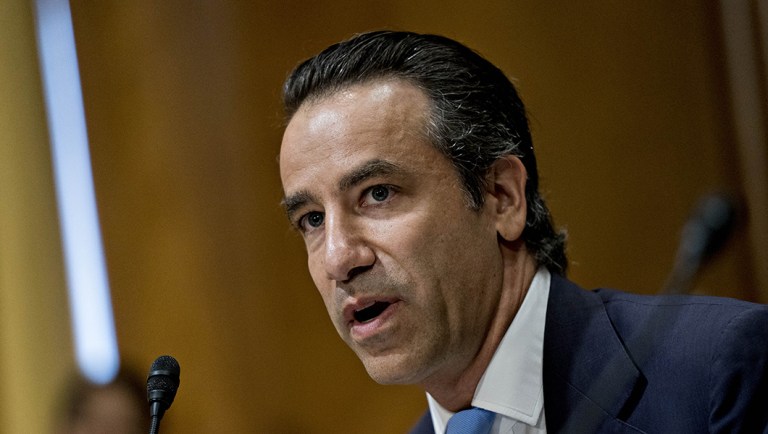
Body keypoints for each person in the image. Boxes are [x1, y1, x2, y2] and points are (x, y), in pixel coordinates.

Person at [277, 30, 768, 433]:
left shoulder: (716, 371)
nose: (339, 258)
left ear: (502, 196)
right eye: (312, 220)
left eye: (378, 193)